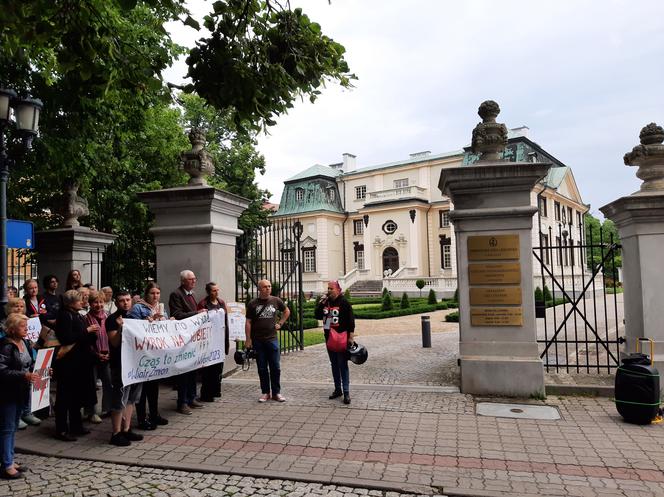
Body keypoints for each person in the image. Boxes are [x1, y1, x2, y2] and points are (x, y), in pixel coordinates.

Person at [53, 290, 98, 441]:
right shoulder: (65, 315)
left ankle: (76, 425)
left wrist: (92, 335)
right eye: (79, 300)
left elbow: (81, 337)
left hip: (80, 362)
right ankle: (61, 429)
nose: (82, 302)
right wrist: (87, 330)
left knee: (77, 396)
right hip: (68, 363)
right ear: (71, 302)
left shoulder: (77, 314)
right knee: (65, 397)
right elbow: (67, 338)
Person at [0, 313, 41, 479]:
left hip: (20, 391)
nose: (26, 328)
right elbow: (1, 370)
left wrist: (41, 372)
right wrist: (23, 375)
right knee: (7, 428)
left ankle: (7, 459)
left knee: (13, 426)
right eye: (22, 326)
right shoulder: (6, 346)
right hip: (7, 393)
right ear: (12, 329)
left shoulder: (23, 342)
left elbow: (29, 364)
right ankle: (7, 464)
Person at [128, 282, 169, 430]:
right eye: (152, 293)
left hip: (156, 353)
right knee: (143, 388)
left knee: (153, 386)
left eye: (157, 293)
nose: (155, 296)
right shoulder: (138, 308)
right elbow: (133, 327)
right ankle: (141, 418)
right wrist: (147, 321)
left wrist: (167, 321)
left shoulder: (161, 307)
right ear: (147, 294)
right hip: (142, 353)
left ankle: (154, 414)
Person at [106, 291, 144, 447]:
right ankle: (116, 433)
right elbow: (114, 343)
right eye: (122, 300)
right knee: (119, 398)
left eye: (128, 300)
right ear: (116, 302)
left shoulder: (135, 318)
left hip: (135, 363)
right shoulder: (112, 320)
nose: (125, 303)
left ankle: (126, 429)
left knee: (131, 399)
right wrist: (121, 328)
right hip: (120, 365)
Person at [245, 280, 290, 403]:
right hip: (258, 340)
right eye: (265, 287)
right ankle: (265, 392)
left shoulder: (276, 300)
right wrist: (248, 339)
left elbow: (287, 311)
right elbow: (248, 322)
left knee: (275, 367)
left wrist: (280, 323)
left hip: (272, 339)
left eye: (269, 286)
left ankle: (276, 393)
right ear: (259, 289)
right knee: (262, 368)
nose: (268, 288)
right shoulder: (253, 304)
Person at [169, 270, 206, 415]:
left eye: (195, 279)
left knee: (192, 369)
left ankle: (191, 397)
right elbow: (177, 314)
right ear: (183, 281)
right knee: (184, 371)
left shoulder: (192, 294)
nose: (194, 281)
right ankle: (182, 402)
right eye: (191, 279)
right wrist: (197, 314)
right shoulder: (176, 294)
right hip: (183, 338)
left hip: (192, 337)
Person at [315, 281, 355, 405]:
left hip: (341, 337)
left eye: (331, 288)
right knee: (334, 364)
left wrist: (350, 337)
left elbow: (351, 321)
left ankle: (346, 392)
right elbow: (316, 315)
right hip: (329, 338)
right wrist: (320, 303)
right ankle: (338, 389)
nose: (329, 290)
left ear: (338, 289)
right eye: (328, 288)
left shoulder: (344, 302)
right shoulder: (326, 302)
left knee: (342, 364)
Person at [197, 282, 229, 402]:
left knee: (218, 368)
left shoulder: (221, 303)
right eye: (214, 290)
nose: (216, 292)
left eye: (217, 290)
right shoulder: (203, 304)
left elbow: (225, 320)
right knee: (208, 370)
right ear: (208, 292)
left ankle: (216, 391)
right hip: (209, 340)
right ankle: (206, 394)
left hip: (220, 340)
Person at [84, 291, 112, 422]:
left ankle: (108, 408)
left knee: (108, 382)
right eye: (95, 302)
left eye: (101, 302)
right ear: (90, 303)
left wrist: (109, 353)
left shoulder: (108, 316)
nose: (98, 305)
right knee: (91, 384)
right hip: (92, 356)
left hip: (107, 353)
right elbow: (85, 341)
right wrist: (96, 354)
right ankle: (91, 412)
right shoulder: (86, 319)